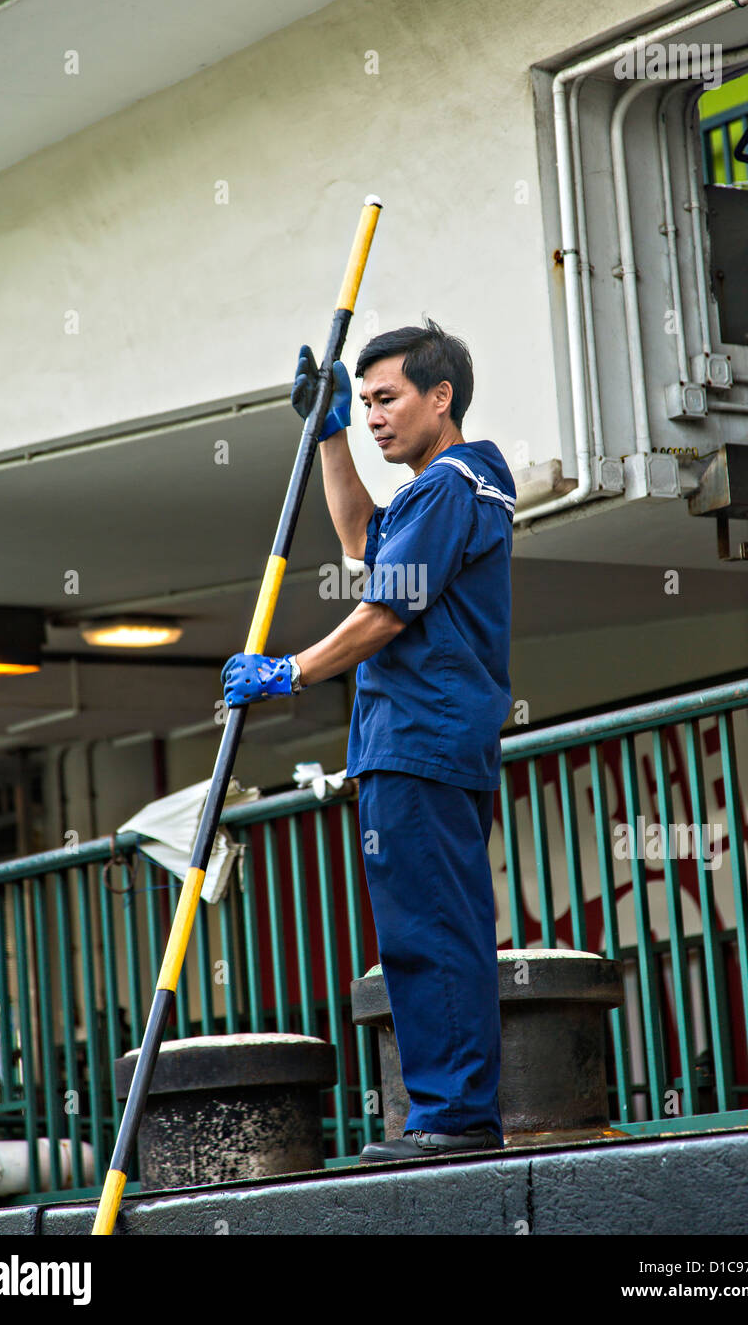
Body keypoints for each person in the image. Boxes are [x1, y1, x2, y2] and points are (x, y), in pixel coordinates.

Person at [221, 317, 515, 1161]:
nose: (377, 415)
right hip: (419, 744)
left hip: (421, 740)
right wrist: (331, 434)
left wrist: (290, 672)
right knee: (426, 927)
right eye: (367, 403)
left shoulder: (448, 488)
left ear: (441, 397)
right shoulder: (442, 492)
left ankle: (454, 1119)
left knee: (432, 932)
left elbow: (384, 611)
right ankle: (450, 1114)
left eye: (386, 400)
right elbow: (360, 544)